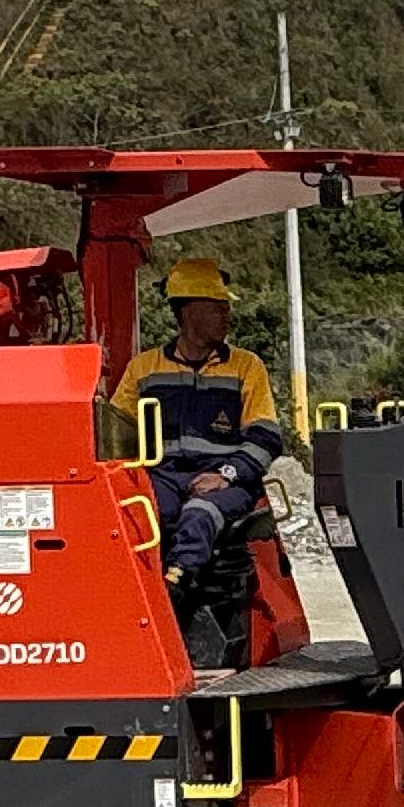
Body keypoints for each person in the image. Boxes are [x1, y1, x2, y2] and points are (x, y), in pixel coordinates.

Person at [110, 256, 290, 618]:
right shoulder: (144, 369)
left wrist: (226, 474)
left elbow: (266, 436)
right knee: (144, 518)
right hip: (163, 475)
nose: (227, 317)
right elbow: (114, 432)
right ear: (188, 312)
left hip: (227, 479)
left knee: (200, 513)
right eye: (217, 308)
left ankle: (173, 592)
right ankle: (135, 603)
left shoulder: (245, 367)